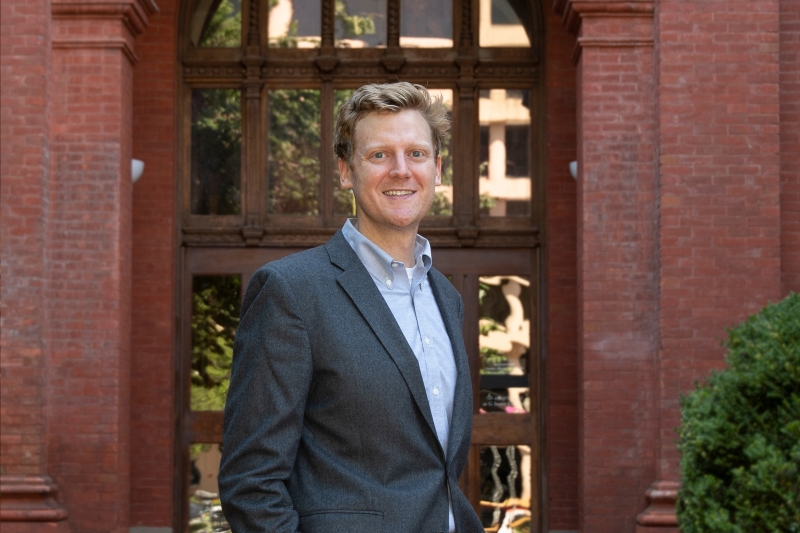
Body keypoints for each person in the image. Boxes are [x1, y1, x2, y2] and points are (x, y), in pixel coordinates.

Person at [218, 82, 484, 533]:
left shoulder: (446, 297)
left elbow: (434, 469)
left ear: (437, 170)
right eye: (379, 155)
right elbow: (251, 481)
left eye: (417, 154)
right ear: (346, 171)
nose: (402, 170)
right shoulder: (292, 290)